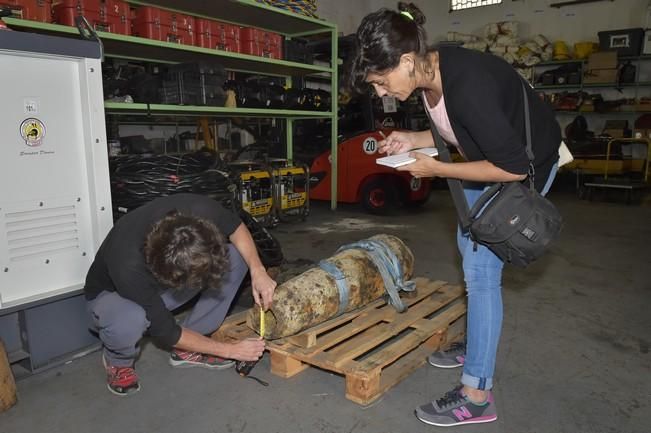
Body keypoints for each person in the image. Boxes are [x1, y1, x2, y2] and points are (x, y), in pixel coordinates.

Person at [349, 2, 563, 427]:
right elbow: (461, 127)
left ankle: (477, 396)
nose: (381, 92)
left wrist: (435, 168)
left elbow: (513, 166)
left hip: (524, 166)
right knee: (469, 246)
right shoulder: (431, 73)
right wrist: (412, 139)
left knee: (482, 271)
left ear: (407, 61)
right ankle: (478, 342)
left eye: (381, 81)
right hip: (491, 157)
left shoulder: (470, 84)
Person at [83, 193, 276, 396]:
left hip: (160, 287)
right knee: (130, 319)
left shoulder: (199, 210)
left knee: (236, 256)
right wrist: (230, 351)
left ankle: (192, 343)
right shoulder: (128, 265)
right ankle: (118, 361)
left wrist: (258, 271)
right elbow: (167, 332)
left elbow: (236, 228)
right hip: (113, 299)